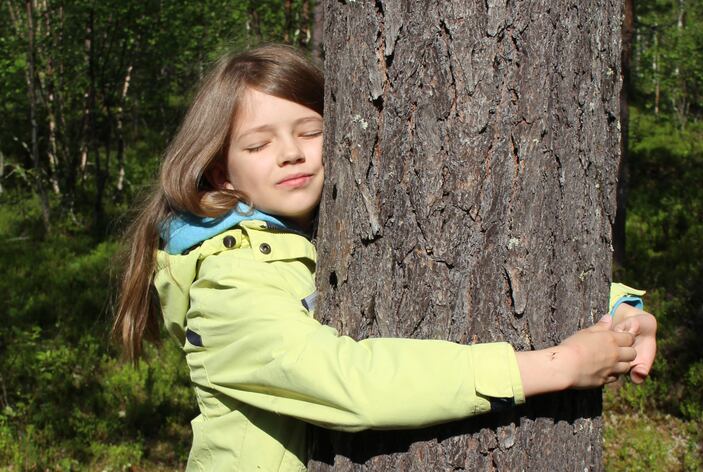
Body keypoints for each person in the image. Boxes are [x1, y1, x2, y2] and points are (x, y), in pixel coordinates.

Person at [114, 44, 657, 471]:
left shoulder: (318, 235)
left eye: (311, 131)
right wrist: (555, 367)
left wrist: (619, 314)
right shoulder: (228, 284)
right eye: (257, 145)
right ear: (220, 172)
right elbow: (351, 383)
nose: (292, 153)